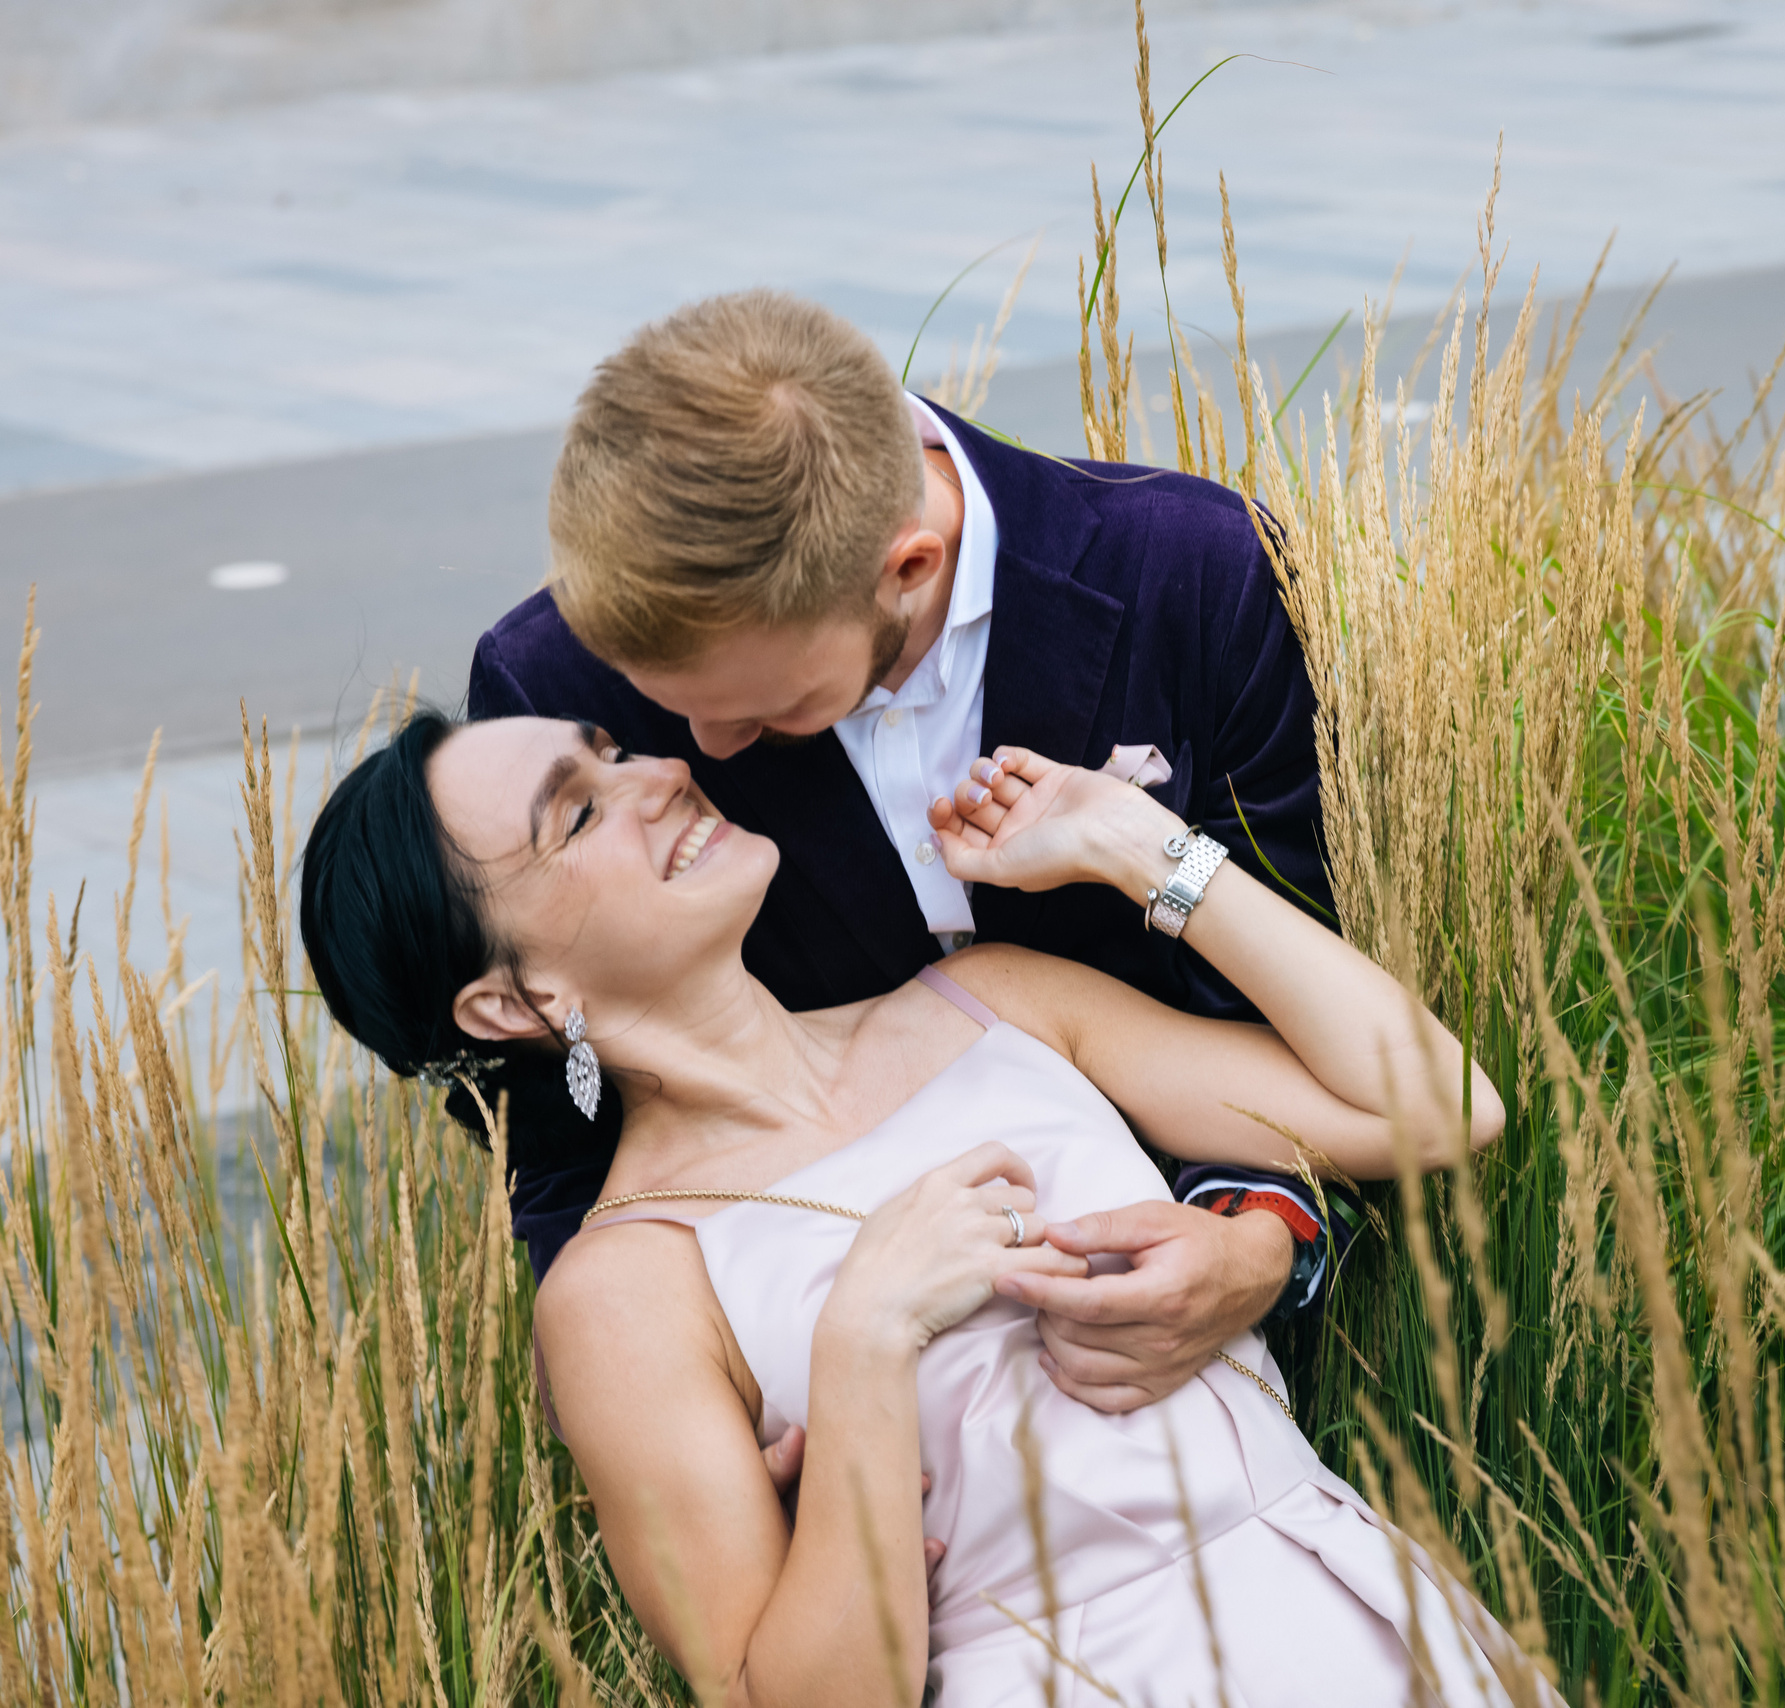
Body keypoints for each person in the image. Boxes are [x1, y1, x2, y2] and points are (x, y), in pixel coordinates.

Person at [298, 712, 1538, 1707]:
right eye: (578, 811)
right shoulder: (624, 1290)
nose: (660, 776)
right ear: (513, 1001)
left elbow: (1439, 1105)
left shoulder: (992, 1003)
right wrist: (864, 1339)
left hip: (1349, 1622)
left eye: (617, 752)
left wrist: (1138, 848)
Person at [471, 289, 1338, 1414]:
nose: (696, 755)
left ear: (910, 569)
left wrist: (1256, 1247)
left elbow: (1290, 998)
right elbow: (561, 1139)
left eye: (766, 709)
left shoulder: (1196, 570)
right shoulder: (548, 683)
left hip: (1197, 1377)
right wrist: (693, 1422)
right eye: (668, 706)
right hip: (823, 1391)